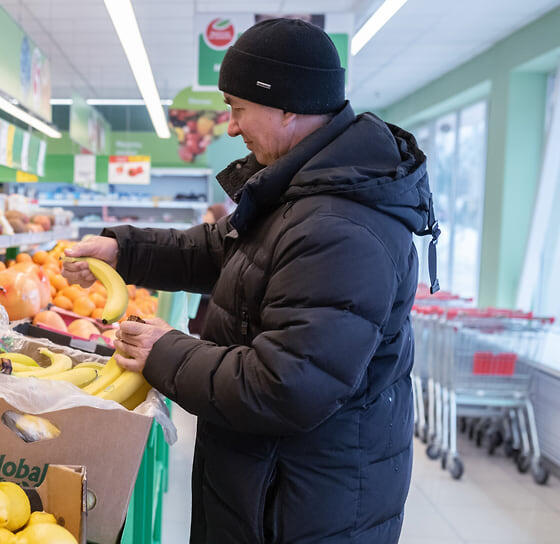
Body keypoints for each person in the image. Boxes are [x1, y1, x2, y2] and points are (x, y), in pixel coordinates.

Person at [63, 18, 439, 544]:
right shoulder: (302, 192)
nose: (232, 127)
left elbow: (285, 385)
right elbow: (221, 249)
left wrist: (164, 350)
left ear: (289, 107)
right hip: (272, 485)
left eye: (238, 108)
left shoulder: (342, 229)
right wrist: (124, 250)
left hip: (301, 508)